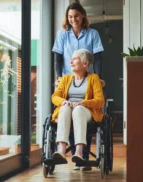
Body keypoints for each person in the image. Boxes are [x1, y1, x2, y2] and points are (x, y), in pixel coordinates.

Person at [52, 2, 104, 171]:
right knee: (67, 109)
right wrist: (59, 78)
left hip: (86, 80)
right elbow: (58, 58)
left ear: (82, 16)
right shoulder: (62, 34)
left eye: (76, 16)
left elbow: (98, 58)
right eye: (70, 16)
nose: (73, 19)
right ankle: (69, 152)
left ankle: (82, 155)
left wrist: (98, 78)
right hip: (69, 79)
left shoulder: (93, 34)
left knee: (80, 111)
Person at [51, 49, 105, 168]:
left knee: (78, 109)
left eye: (75, 59)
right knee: (64, 108)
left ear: (85, 64)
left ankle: (79, 152)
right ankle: (61, 149)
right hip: (67, 111)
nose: (71, 61)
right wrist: (64, 101)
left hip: (86, 112)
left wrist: (83, 103)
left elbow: (100, 100)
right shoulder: (65, 79)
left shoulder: (94, 78)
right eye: (71, 59)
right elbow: (55, 97)